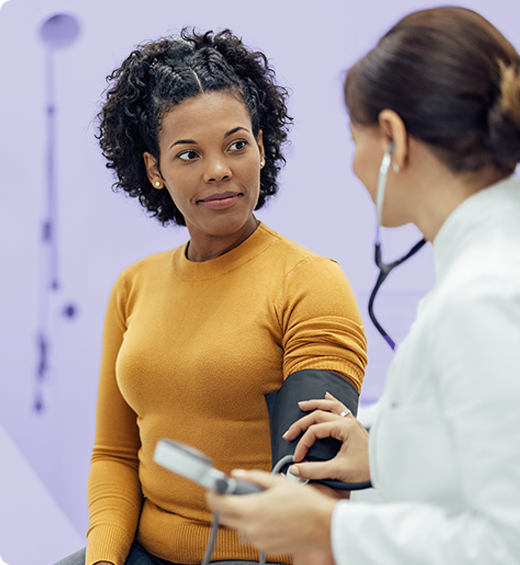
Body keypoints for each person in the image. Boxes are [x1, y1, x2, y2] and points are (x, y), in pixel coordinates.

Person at [207, 7, 520, 564]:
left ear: (393, 139)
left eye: (356, 139)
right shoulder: (514, 266)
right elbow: (513, 454)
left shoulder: (491, 300)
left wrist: (330, 533)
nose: (354, 165)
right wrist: (386, 451)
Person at [55, 29, 367, 565]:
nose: (218, 169)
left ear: (263, 148)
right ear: (154, 169)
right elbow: (112, 453)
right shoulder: (134, 287)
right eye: (188, 154)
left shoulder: (310, 282)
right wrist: (103, 560)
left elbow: (311, 484)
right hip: (141, 551)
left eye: (236, 144)